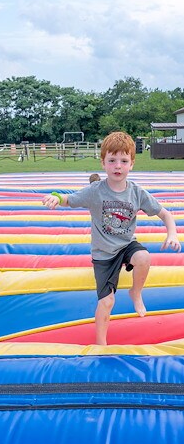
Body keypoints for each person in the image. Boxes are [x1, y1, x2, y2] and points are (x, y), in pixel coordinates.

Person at [42, 131, 181, 345]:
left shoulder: (136, 192)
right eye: (112, 160)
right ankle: (101, 344)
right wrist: (56, 197)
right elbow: (70, 199)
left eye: (124, 161)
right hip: (104, 254)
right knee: (106, 302)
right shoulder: (96, 190)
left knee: (144, 257)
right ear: (103, 163)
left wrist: (172, 233)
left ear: (132, 164)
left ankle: (136, 292)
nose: (118, 166)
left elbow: (165, 214)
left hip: (126, 245)